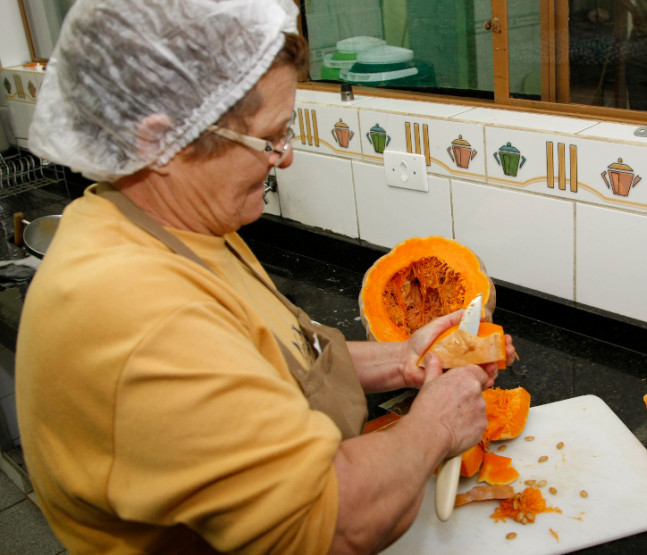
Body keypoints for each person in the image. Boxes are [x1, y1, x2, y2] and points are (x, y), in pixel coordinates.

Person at [15, 1, 515, 553]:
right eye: (269, 139)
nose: (286, 157)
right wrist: (435, 428)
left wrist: (403, 360)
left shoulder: (180, 224)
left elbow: (282, 358)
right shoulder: (142, 316)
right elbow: (332, 521)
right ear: (159, 142)